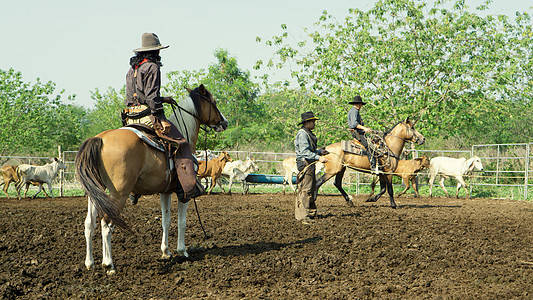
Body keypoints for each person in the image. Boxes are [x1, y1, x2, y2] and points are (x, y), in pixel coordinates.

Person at [123, 33, 203, 202]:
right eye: (158, 51)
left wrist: (164, 99)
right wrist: (162, 118)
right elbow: (151, 98)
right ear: (154, 52)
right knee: (181, 143)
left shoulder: (133, 69)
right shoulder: (152, 67)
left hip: (130, 117)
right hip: (146, 116)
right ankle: (185, 187)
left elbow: (139, 95)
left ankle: (133, 189)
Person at [294, 111, 329, 225]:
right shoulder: (303, 134)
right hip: (305, 163)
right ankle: (303, 216)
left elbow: (310, 150)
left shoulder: (307, 133)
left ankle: (311, 212)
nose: (314, 123)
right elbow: (305, 152)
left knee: (312, 188)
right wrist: (318, 158)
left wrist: (320, 152)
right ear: (307, 122)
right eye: (313, 121)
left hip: (309, 163)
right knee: (306, 189)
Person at [347, 96, 380, 174]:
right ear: (357, 104)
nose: (360, 106)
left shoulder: (354, 111)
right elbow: (354, 124)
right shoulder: (354, 111)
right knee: (369, 147)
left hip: (359, 132)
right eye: (360, 104)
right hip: (358, 134)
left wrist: (365, 128)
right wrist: (364, 128)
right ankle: (373, 167)